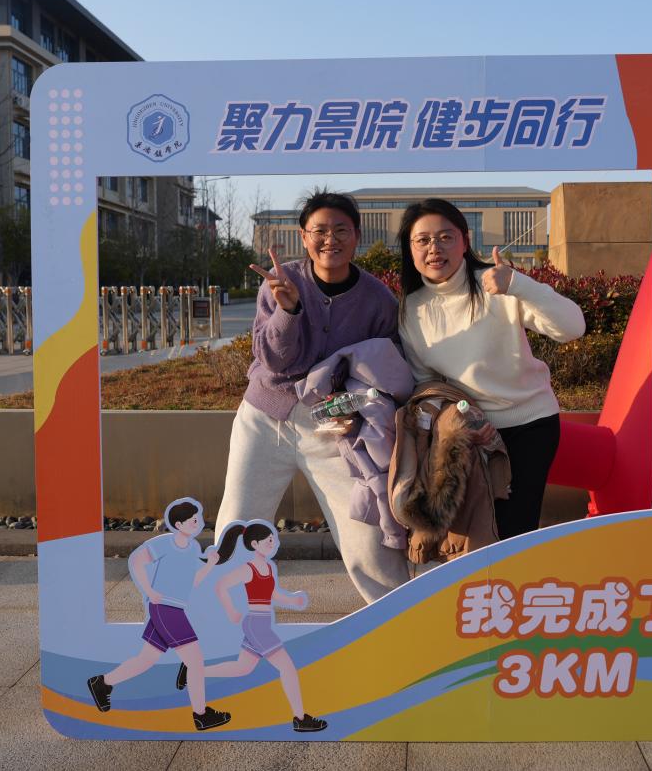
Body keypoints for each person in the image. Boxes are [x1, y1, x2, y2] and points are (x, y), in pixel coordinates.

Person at [218, 188, 409, 603]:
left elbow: (386, 373)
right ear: (304, 236)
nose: (330, 239)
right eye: (319, 230)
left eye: (341, 230)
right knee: (237, 524)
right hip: (264, 419)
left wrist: (352, 407)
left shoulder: (378, 300)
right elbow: (273, 360)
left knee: (368, 536)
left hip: (333, 428)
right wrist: (287, 310)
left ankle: (399, 619)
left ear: (357, 236)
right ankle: (220, 619)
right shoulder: (280, 282)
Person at [395, 198, 586, 539]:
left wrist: (518, 284)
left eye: (445, 237)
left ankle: (515, 575)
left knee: (514, 531)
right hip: (469, 429)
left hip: (529, 425)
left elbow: (573, 327)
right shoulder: (411, 310)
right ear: (410, 250)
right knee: (472, 534)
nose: (434, 248)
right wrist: (465, 419)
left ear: (465, 242)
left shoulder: (496, 284)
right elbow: (427, 383)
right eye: (422, 240)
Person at [86, 499, 231, 731]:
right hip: (165, 608)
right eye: (194, 520)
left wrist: (210, 565)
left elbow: (192, 582)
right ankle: (201, 715)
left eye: (199, 519)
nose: (199, 522)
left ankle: (102, 683)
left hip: (174, 608)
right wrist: (149, 591)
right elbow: (136, 561)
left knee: (147, 659)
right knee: (195, 661)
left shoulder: (193, 548)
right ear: (179, 524)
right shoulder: (166, 543)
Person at [205, 521, 328, 733]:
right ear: (254, 544)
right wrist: (231, 611)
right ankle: (300, 718)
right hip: (256, 625)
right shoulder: (248, 569)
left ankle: (195, 671)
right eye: (269, 540)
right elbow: (220, 586)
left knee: (242, 668)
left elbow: (272, 594)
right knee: (287, 667)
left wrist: (293, 601)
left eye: (273, 539)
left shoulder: (269, 567)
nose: (274, 543)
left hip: (261, 623)